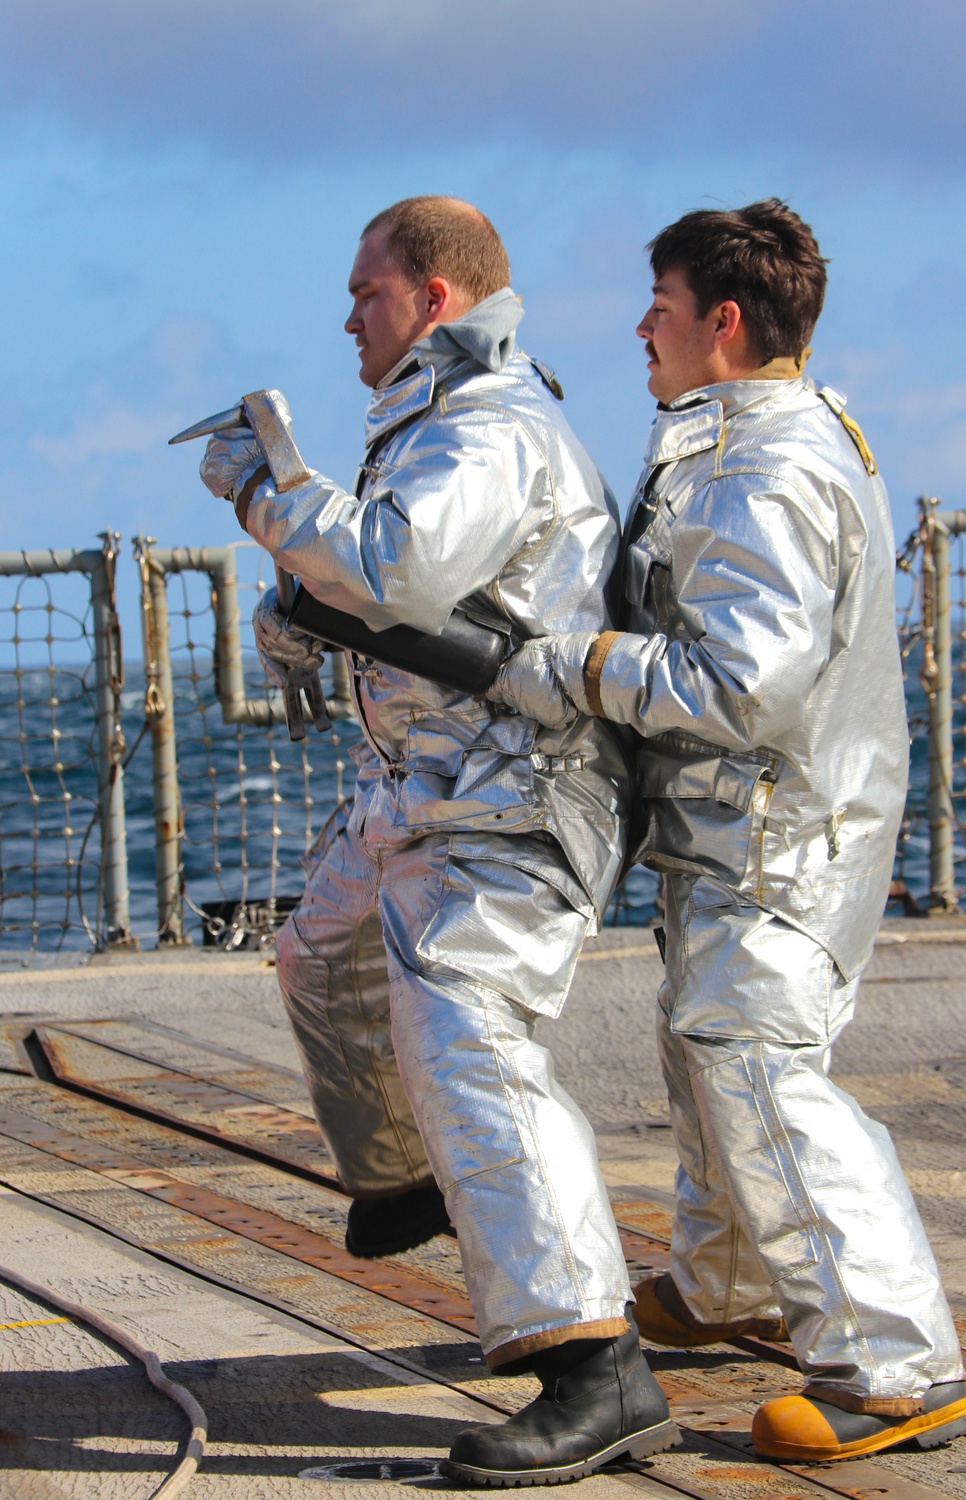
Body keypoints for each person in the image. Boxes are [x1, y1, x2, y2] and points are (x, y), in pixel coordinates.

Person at [198, 195, 680, 1485]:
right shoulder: (428, 424)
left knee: (466, 1038)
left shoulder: (489, 427)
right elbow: (393, 587)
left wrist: (265, 490)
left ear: (436, 299)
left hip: (515, 801)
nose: (348, 314)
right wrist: (303, 612)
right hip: (425, 787)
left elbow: (399, 566)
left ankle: (594, 1365)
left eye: (366, 291)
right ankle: (409, 1176)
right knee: (321, 959)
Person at [490, 199, 966, 1465]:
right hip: (753, 821)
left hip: (782, 831)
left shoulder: (769, 466)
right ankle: (724, 1282)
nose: (637, 326)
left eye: (657, 305)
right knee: (701, 1037)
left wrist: (584, 664)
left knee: (752, 1056)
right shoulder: (740, 434)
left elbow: (744, 683)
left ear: (725, 321)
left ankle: (893, 1363)